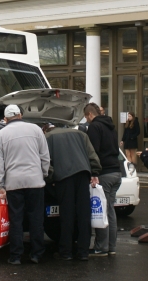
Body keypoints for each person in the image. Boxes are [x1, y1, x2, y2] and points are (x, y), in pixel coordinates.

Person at [0, 104, 50, 265]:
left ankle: (16, 256)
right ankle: (37, 254)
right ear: (20, 115)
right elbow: (45, 156)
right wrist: (43, 174)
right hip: (35, 182)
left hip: (13, 184)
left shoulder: (1, 135)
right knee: (36, 219)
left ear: (5, 119)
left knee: (16, 220)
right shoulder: (36, 130)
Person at [43, 124, 101, 261]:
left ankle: (66, 252)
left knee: (67, 215)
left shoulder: (48, 137)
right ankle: (83, 252)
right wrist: (94, 172)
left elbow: (46, 161)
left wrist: (51, 178)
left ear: (47, 129)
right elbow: (93, 157)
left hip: (63, 177)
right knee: (84, 214)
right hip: (82, 174)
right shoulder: (81, 135)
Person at [84, 103, 122, 257]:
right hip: (116, 172)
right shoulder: (111, 126)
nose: (87, 121)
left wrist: (93, 173)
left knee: (101, 211)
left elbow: (94, 152)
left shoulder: (94, 127)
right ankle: (111, 246)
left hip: (104, 173)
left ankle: (101, 247)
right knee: (110, 211)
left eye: (86, 118)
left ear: (89, 115)